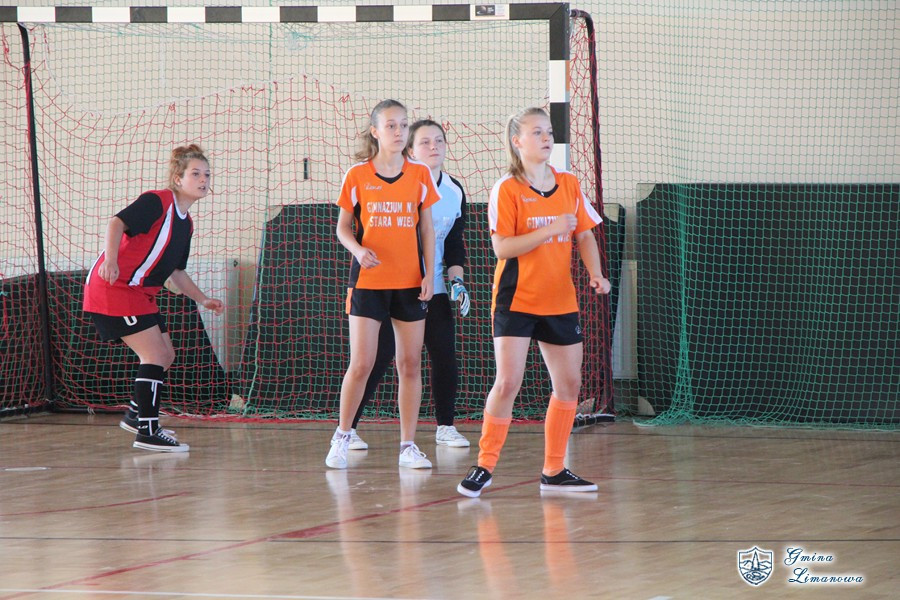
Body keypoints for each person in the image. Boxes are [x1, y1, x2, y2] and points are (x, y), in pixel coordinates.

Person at [457, 107, 610, 497]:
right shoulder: (507, 188)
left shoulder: (568, 184)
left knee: (569, 384)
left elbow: (585, 234)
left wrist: (595, 272)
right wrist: (550, 230)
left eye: (548, 132)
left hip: (559, 300)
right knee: (508, 382)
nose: (546, 138)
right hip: (517, 299)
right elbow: (502, 247)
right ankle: (484, 466)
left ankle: (554, 470)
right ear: (517, 141)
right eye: (537, 132)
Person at [83, 144, 224, 453]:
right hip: (114, 288)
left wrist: (203, 299)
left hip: (140, 294)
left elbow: (176, 271)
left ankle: (136, 415)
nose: (203, 180)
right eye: (195, 174)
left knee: (166, 355)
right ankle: (148, 431)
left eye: (207, 174)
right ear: (178, 178)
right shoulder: (157, 201)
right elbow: (116, 222)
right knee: (155, 356)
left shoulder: (186, 224)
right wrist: (111, 260)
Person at [327, 100, 440, 470]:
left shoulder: (419, 174)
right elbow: (343, 227)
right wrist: (358, 250)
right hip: (369, 282)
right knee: (362, 362)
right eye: (391, 125)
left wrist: (429, 273)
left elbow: (426, 228)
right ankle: (342, 435)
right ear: (375, 131)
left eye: (404, 125)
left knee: (410, 363)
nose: (399, 131)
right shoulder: (357, 175)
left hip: (409, 282)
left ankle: (408, 445)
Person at [346, 119, 471, 451]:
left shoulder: (454, 190)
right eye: (425, 142)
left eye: (439, 140)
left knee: (443, 353)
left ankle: (445, 426)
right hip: (393, 284)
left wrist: (456, 280)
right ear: (410, 150)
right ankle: (348, 428)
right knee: (377, 356)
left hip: (433, 286)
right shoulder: (399, 182)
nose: (434, 147)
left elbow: (454, 244)